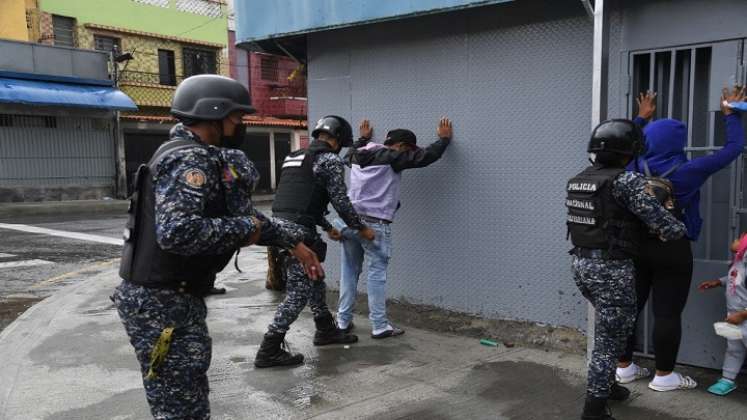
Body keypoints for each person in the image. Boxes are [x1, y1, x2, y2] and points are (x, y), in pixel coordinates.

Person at [113, 74, 323, 419]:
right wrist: (246, 229)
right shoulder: (191, 160)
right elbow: (178, 232)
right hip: (162, 303)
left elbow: (244, 217)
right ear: (214, 114)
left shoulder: (198, 155)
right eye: (237, 118)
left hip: (171, 298)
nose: (241, 125)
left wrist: (294, 241)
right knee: (181, 407)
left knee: (186, 396)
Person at [617, 86, 746, 392]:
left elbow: (619, 147)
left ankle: (623, 368)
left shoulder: (631, 166)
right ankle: (663, 377)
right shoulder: (689, 170)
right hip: (672, 248)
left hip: (635, 247)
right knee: (667, 313)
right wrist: (731, 114)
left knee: (629, 308)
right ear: (679, 143)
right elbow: (733, 148)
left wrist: (640, 119)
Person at [567, 119, 687, 420]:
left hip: (582, 264)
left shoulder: (580, 178)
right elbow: (665, 225)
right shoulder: (626, 181)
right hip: (611, 269)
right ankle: (594, 408)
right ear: (629, 152)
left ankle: (609, 387)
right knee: (609, 342)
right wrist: (677, 226)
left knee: (613, 331)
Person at [254, 115, 376, 368]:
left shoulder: (294, 157)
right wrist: (361, 228)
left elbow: (304, 199)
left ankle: (325, 330)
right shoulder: (329, 160)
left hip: (280, 226)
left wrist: (327, 227)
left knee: (315, 279)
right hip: (297, 233)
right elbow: (340, 202)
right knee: (298, 294)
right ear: (339, 140)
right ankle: (269, 348)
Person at [334, 117, 452, 338]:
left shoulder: (356, 154)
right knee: (376, 274)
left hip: (349, 221)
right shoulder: (393, 158)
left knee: (349, 272)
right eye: (407, 148)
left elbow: (353, 148)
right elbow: (425, 157)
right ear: (400, 146)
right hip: (374, 224)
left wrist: (363, 137)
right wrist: (443, 141)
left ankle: (342, 322)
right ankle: (379, 325)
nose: (408, 153)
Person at [698, 233, 747, 396]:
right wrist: (718, 282)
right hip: (733, 316)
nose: (735, 240)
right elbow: (734, 278)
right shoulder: (740, 263)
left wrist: (743, 314)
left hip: (743, 317)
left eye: (739, 238)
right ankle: (727, 379)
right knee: (734, 349)